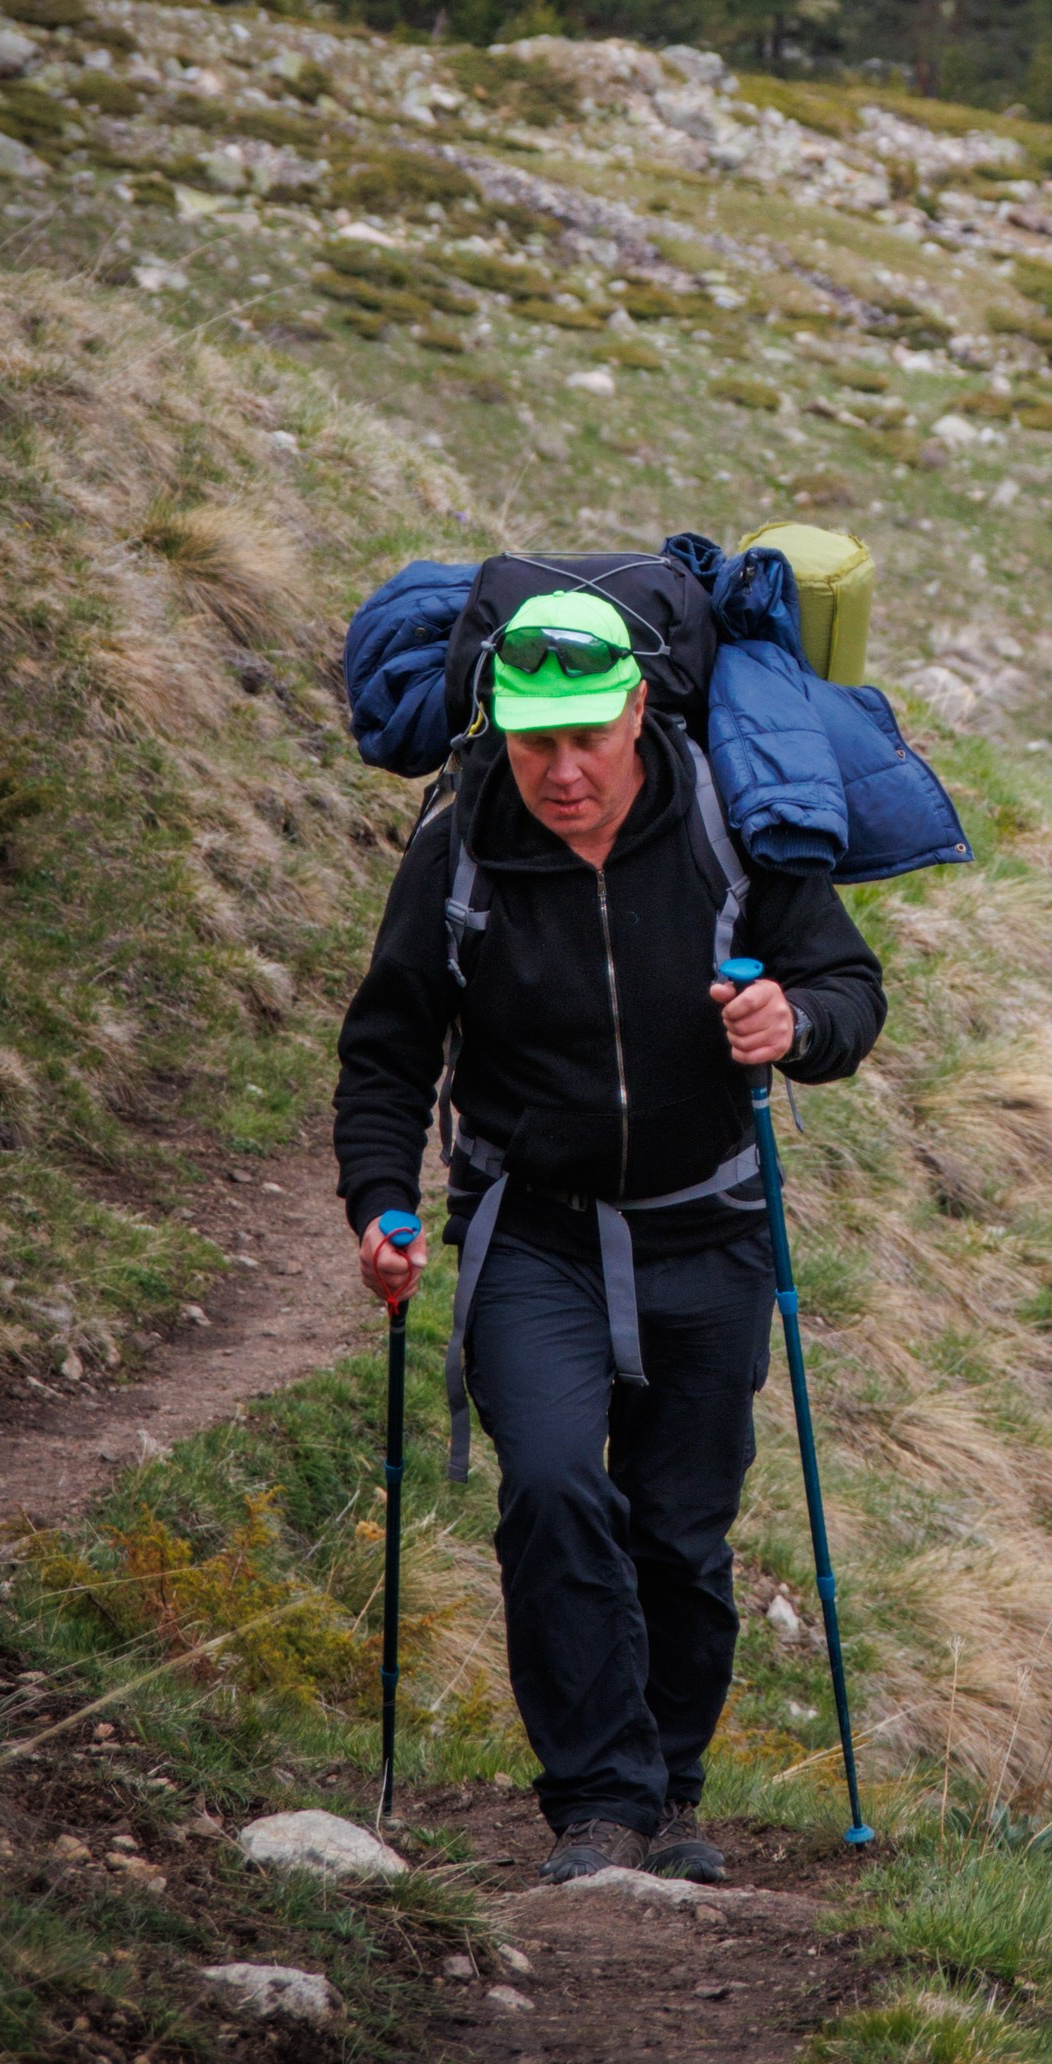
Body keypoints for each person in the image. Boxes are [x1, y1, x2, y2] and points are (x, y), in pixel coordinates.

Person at [333, 584, 885, 1883]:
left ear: (642, 710)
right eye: (536, 742)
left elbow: (848, 987)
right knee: (554, 1488)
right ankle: (600, 1806)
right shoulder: (459, 840)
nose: (563, 770)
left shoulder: (732, 824)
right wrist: (381, 1204)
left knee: (682, 1534)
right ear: (503, 730)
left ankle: (675, 1794)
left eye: (588, 735)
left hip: (710, 1226)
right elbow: (388, 1050)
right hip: (534, 1232)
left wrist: (794, 1029)